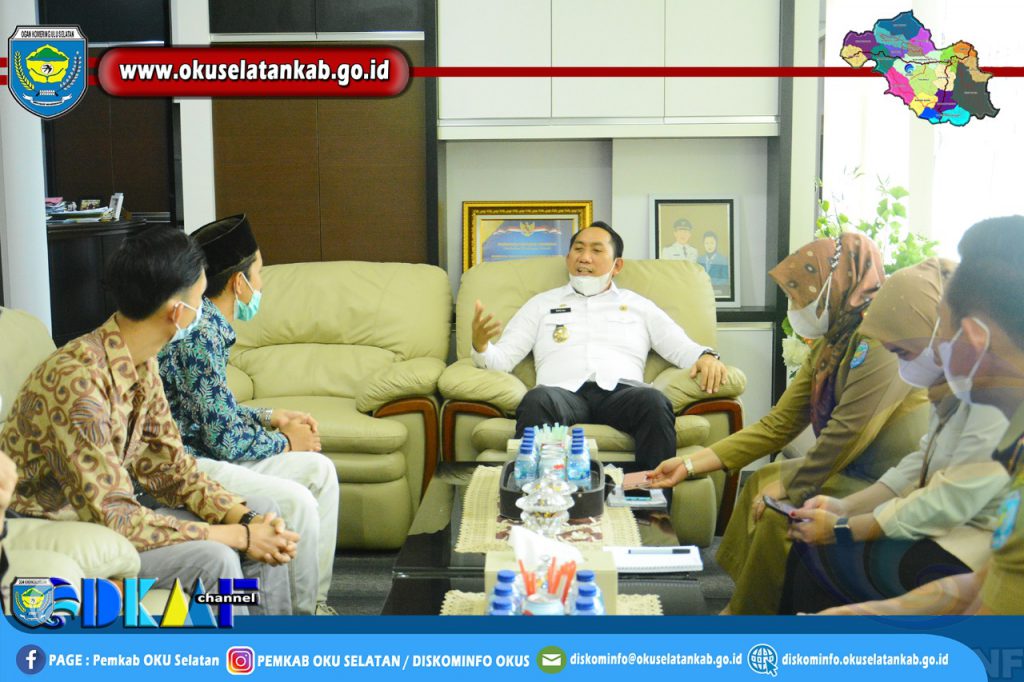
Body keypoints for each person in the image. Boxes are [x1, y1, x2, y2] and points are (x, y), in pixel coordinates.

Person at [0, 226, 295, 615]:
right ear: (178, 313)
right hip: (60, 526)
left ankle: (274, 639)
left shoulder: (140, 360)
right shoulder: (77, 381)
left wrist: (247, 519)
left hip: (112, 513)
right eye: (200, 300)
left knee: (264, 514)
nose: (204, 311)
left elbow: (172, 468)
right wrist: (238, 535)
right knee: (217, 558)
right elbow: (114, 516)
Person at [649, 232, 929, 613]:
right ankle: (744, 598)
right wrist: (688, 464)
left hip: (887, 477)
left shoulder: (879, 340)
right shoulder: (832, 343)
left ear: (834, 285)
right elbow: (777, 424)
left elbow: (847, 434)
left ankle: (751, 619)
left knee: (779, 510)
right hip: (854, 467)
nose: (795, 308)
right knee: (761, 481)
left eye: (800, 296)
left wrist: (793, 487)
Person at [777, 258, 1010, 613]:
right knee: (812, 551)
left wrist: (844, 528)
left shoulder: (997, 396)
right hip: (947, 530)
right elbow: (920, 462)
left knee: (825, 555)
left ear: (938, 332)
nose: (901, 366)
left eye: (903, 353)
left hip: (977, 547)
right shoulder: (953, 386)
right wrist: (845, 507)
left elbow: (950, 501)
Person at [158, 215, 339, 616]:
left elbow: (209, 409)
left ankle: (315, 604)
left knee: (320, 471)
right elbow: (222, 439)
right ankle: (301, 617)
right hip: (191, 461)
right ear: (238, 282)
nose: (262, 285)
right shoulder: (200, 334)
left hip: (206, 447)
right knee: (298, 500)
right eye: (259, 273)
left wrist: (269, 416)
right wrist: (288, 441)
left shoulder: (210, 326)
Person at [471, 221, 729, 471]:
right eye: (578, 249)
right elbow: (502, 360)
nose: (585, 258)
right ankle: (536, 497)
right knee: (536, 400)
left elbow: (681, 346)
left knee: (654, 402)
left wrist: (706, 356)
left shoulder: (639, 306)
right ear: (568, 258)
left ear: (617, 265)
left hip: (622, 395)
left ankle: (651, 498)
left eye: (596, 250)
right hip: (561, 395)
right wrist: (481, 346)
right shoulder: (541, 304)